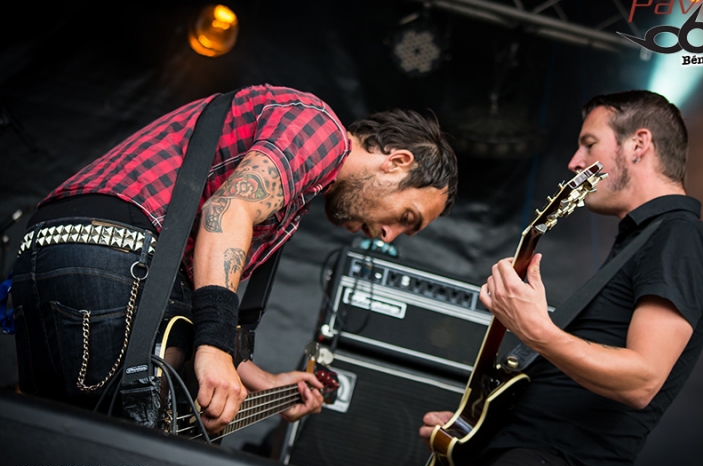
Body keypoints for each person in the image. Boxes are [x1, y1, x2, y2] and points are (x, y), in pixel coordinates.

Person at [11, 83, 458, 435]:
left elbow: (195, 300)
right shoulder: (321, 128)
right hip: (112, 256)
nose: (389, 235)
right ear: (397, 162)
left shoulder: (292, 189)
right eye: (406, 217)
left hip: (53, 250)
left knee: (56, 444)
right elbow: (227, 210)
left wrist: (260, 378)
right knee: (122, 460)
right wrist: (215, 349)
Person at [419, 90, 703, 466]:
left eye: (589, 144)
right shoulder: (643, 238)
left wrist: (537, 330)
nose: (575, 161)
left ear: (638, 145)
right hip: (527, 459)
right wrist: (477, 431)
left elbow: (642, 380)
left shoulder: (682, 236)